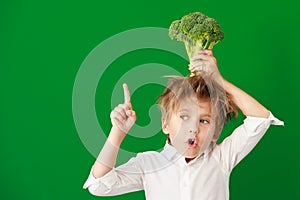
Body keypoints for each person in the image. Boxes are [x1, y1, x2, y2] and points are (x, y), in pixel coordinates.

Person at [83, 50, 283, 200]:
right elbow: (100, 185)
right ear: (165, 124)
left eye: (204, 121)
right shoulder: (148, 164)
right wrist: (117, 133)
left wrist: (218, 80)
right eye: (184, 116)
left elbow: (260, 118)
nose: (193, 128)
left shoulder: (221, 157)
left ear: (216, 132)